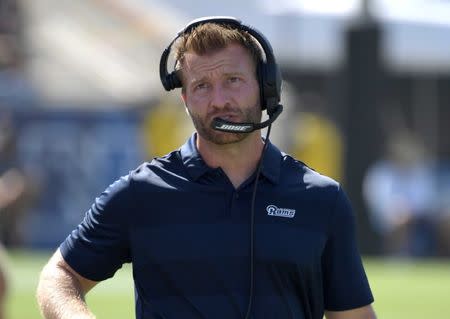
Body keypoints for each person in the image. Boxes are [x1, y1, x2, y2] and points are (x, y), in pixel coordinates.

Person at [36, 17, 376, 319]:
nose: (218, 100)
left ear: (265, 87)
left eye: (232, 80)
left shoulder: (321, 200)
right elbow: (60, 275)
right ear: (184, 100)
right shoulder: (141, 193)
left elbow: (354, 315)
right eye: (201, 86)